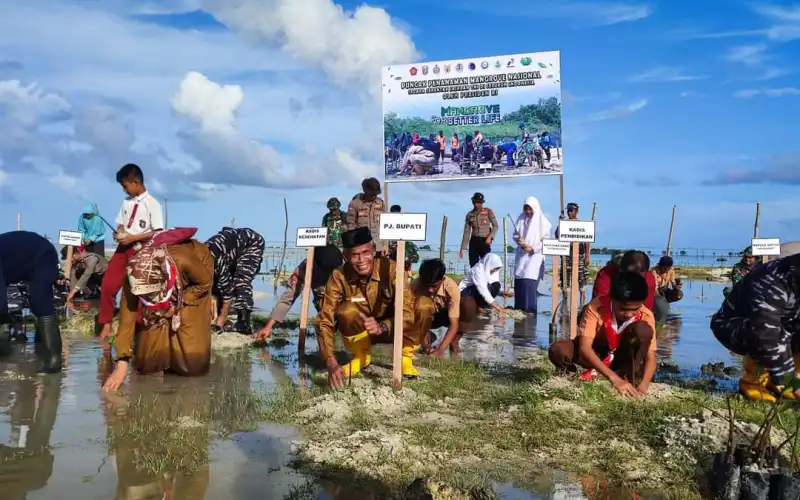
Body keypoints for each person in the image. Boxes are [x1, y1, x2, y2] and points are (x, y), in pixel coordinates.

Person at [317, 228, 436, 388]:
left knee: (424, 305)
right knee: (346, 310)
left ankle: (406, 356)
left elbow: (407, 312)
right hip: (362, 333)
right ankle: (360, 357)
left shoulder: (392, 269)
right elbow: (324, 320)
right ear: (346, 256)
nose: (361, 260)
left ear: (373, 250)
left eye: (365, 252)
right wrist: (330, 361)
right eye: (354, 255)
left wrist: (383, 326)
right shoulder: (338, 276)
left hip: (394, 329)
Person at [102, 237, 214, 392]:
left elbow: (205, 282)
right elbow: (127, 318)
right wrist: (122, 362)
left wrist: (178, 304)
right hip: (159, 280)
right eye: (145, 296)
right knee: (146, 363)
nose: (150, 299)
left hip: (195, 278)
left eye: (152, 295)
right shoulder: (133, 275)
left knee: (191, 365)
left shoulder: (184, 259)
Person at [710, 249, 800, 402]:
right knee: (763, 332)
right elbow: (765, 333)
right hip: (733, 326)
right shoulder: (770, 278)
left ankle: (783, 382)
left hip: (783, 325)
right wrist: (792, 384)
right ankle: (753, 383)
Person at [549, 271, 657, 398]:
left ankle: (631, 377)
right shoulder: (596, 306)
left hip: (623, 358)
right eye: (623, 309)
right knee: (558, 349)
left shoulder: (646, 315)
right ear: (611, 298)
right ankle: (571, 375)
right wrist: (614, 379)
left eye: (635, 309)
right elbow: (585, 348)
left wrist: (644, 386)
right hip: (597, 352)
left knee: (643, 330)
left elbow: (651, 358)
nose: (629, 314)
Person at [97, 163, 164, 340]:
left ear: (136, 182)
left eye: (125, 186)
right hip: (122, 249)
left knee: (138, 290)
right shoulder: (126, 202)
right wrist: (118, 233)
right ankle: (106, 324)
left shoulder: (153, 204)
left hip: (141, 250)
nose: (124, 190)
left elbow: (157, 232)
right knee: (108, 284)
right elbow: (121, 223)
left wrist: (134, 238)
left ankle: (138, 328)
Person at [0, 231, 62, 373]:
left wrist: (4, 317)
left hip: (43, 255)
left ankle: (54, 360)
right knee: (34, 305)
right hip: (22, 259)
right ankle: (39, 344)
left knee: (40, 301)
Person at [255, 245, 344, 340]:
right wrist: (268, 327)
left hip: (346, 303)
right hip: (323, 304)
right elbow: (287, 298)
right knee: (325, 323)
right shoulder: (305, 268)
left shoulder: (350, 265)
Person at [205, 226, 265, 334]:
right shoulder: (199, 265)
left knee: (240, 281)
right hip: (230, 252)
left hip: (251, 244)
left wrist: (222, 318)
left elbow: (228, 292)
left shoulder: (215, 262)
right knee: (216, 287)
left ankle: (243, 323)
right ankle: (216, 316)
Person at [416, 259, 473, 356]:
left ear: (442, 280)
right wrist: (426, 345)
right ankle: (427, 340)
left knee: (469, 303)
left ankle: (454, 340)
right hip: (426, 318)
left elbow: (454, 324)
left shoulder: (451, 288)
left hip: (445, 316)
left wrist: (440, 350)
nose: (430, 290)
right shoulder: (416, 286)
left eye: (434, 286)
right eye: (427, 286)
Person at [513, 196, 551, 313]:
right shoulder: (521, 218)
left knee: (528, 282)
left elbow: (545, 242)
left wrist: (533, 248)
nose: (528, 211)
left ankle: (530, 311)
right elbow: (515, 234)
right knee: (520, 280)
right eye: (526, 209)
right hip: (522, 255)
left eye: (530, 209)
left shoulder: (543, 222)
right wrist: (519, 241)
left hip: (535, 257)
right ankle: (519, 311)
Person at [592, 249, 658, 317]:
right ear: (620, 270)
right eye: (630, 275)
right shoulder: (606, 273)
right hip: (608, 314)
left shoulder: (649, 279)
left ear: (646, 273)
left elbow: (646, 310)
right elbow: (598, 304)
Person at [555, 203, 590, 303]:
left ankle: (582, 301)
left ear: (576, 212)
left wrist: (587, 255)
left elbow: (587, 241)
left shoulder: (581, 225)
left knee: (581, 277)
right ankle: (565, 301)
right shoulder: (564, 223)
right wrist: (560, 222)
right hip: (566, 255)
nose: (569, 213)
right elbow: (557, 235)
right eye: (568, 210)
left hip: (579, 254)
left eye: (571, 210)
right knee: (565, 277)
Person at [346, 177, 387, 255]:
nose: (374, 196)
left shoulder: (380, 203)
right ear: (365, 191)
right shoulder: (355, 204)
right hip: (362, 245)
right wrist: (353, 244)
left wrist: (385, 244)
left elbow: (384, 225)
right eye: (372, 194)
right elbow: (350, 225)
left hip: (378, 245)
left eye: (375, 194)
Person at [459, 192, 499, 267]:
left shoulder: (488, 211)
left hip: (485, 241)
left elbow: (496, 226)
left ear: (482, 203)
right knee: (473, 265)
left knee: (486, 264)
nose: (477, 204)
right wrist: (462, 248)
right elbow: (467, 232)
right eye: (476, 202)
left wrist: (490, 237)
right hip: (474, 241)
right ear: (473, 202)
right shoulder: (469, 214)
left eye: (479, 202)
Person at [387, 204, 419, 277]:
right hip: (393, 246)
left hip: (401, 245)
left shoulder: (403, 220)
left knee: (406, 256)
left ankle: (407, 272)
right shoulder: (388, 220)